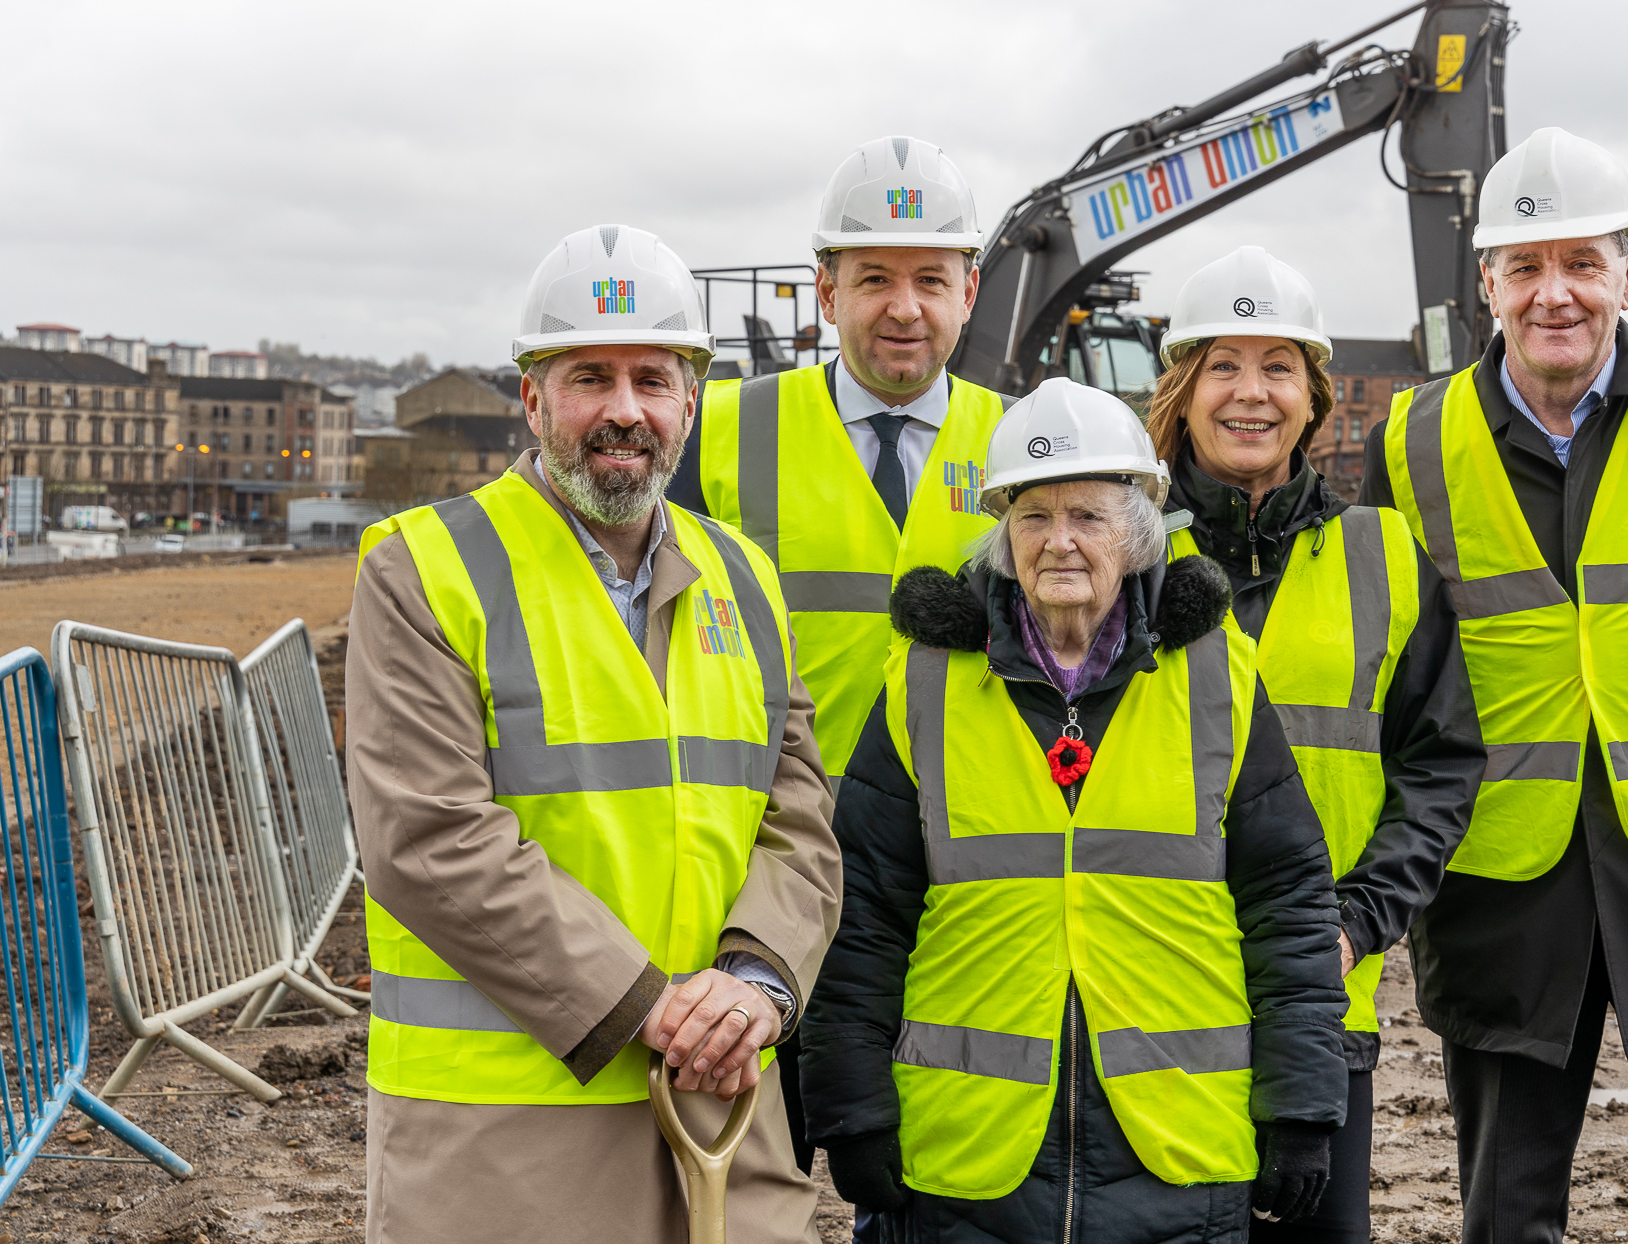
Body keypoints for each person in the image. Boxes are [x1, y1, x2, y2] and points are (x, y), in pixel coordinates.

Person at [348, 225, 841, 1243]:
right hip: (502, 1143)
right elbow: (431, 843)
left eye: (652, 379)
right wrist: (652, 1006)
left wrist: (755, 983)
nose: (625, 410)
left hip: (721, 1110)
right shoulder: (424, 569)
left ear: (690, 401)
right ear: (531, 398)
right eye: (589, 378)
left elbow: (797, 820)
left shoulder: (740, 577)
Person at [799, 377, 1349, 1243]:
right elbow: (861, 910)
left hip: (1177, 1153)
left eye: (1087, 516)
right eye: (1034, 517)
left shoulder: (1217, 679)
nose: (1059, 542)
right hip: (966, 1164)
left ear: (1134, 534)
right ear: (1003, 533)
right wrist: (849, 1100)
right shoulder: (923, 685)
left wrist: (1304, 1100)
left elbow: (1288, 902)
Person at [1361, 128, 1628, 1244]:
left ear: (1626, 274)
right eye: (1526, 265)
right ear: (1486, 281)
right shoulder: (1408, 440)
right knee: (1505, 1207)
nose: (1556, 293)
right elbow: (1397, 661)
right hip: (1504, 878)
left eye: (1582, 263)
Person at [666, 137, 1012, 1174]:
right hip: (760, 863)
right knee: (740, 1171)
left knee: (923, 1160)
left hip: (952, 869)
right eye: (873, 279)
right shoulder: (715, 432)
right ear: (825, 289)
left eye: (928, 280)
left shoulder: (1021, 446)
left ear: (969, 291)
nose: (902, 307)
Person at [1149, 247, 1485, 1243]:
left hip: (1316, 1004)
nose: (1249, 392)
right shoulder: (1114, 551)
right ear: (1179, 391)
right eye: (1221, 365)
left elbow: (1439, 765)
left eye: (1277, 366)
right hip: (1141, 1005)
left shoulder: (1383, 556)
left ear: (1312, 398)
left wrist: (1358, 920)